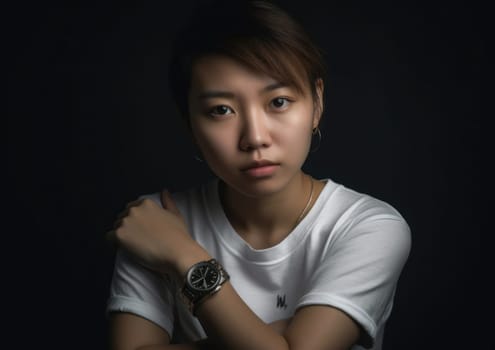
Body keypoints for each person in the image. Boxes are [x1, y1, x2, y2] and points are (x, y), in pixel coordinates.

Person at [105, 1, 411, 349]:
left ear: (317, 103)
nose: (254, 137)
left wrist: (183, 255)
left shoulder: (367, 226)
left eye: (278, 102)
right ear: (190, 124)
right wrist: (274, 339)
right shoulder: (153, 222)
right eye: (221, 110)